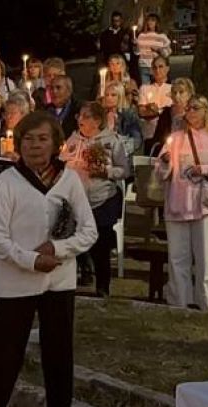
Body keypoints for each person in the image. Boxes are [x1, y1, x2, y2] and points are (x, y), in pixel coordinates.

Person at [0, 111, 97, 407]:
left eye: (42, 139)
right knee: (4, 359)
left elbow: (88, 231)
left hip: (58, 282)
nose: (35, 146)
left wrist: (58, 249)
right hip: (14, 284)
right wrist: (30, 260)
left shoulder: (69, 180)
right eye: (28, 139)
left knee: (59, 356)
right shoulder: (7, 181)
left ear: (56, 144)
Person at [155, 96, 208, 311]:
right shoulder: (175, 138)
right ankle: (179, 302)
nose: (190, 112)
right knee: (177, 258)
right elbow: (160, 172)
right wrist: (165, 163)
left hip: (205, 206)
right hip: (178, 203)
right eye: (188, 108)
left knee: (206, 259)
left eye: (195, 108)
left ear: (205, 111)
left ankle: (207, 304)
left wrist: (206, 169)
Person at [60, 101, 130, 296]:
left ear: (97, 121)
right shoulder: (73, 139)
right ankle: (77, 277)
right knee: (74, 240)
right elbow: (62, 162)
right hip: (77, 200)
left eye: (85, 116)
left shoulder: (111, 141)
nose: (80, 119)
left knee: (101, 244)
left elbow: (125, 170)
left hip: (102, 199)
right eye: (79, 115)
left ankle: (102, 287)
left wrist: (106, 171)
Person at [0, 90, 31, 183]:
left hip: (22, 182)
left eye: (13, 113)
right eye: (6, 113)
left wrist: (19, 160)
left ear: (23, 115)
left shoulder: (30, 139)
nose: (9, 117)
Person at [148, 77, 193, 155]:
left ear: (189, 94)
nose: (177, 96)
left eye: (181, 92)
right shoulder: (166, 113)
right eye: (174, 93)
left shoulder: (194, 113)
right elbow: (157, 139)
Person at [102, 80, 143, 157]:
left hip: (122, 154)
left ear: (120, 97)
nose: (109, 98)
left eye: (113, 95)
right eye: (107, 95)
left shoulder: (129, 115)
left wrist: (120, 150)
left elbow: (136, 139)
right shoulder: (101, 114)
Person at [137, 56, 172, 143]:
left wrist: (157, 111)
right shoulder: (145, 88)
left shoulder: (173, 88)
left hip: (168, 131)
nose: (157, 70)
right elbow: (141, 111)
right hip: (150, 132)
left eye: (161, 67)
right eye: (155, 67)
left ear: (167, 68)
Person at [135, 14, 171, 86]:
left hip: (157, 66)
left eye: (153, 20)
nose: (150, 22)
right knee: (146, 87)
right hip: (144, 65)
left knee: (159, 86)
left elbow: (168, 52)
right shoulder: (141, 36)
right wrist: (135, 46)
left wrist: (159, 50)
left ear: (157, 23)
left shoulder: (161, 36)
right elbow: (137, 52)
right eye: (148, 20)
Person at [39, 75, 79, 139]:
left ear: (69, 91)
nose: (54, 91)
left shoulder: (79, 110)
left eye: (58, 87)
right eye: (51, 88)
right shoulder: (45, 111)